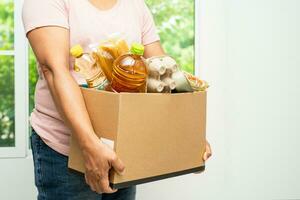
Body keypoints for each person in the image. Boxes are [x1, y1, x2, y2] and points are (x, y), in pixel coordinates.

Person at [22, 0, 212, 199]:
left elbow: (163, 73)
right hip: (64, 147)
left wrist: (188, 133)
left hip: (121, 145)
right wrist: (90, 145)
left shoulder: (135, 6)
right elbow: (53, 69)